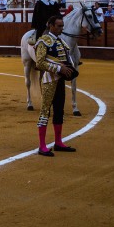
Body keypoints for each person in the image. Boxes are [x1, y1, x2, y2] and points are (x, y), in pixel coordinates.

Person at [34, 16, 77, 157]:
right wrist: (59, 68)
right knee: (45, 111)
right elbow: (39, 63)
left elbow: (66, 59)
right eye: (59, 26)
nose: (61, 28)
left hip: (60, 81)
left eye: (62, 26)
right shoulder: (43, 41)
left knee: (59, 110)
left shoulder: (61, 41)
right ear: (51, 25)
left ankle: (58, 142)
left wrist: (69, 69)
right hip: (49, 80)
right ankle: (42, 145)